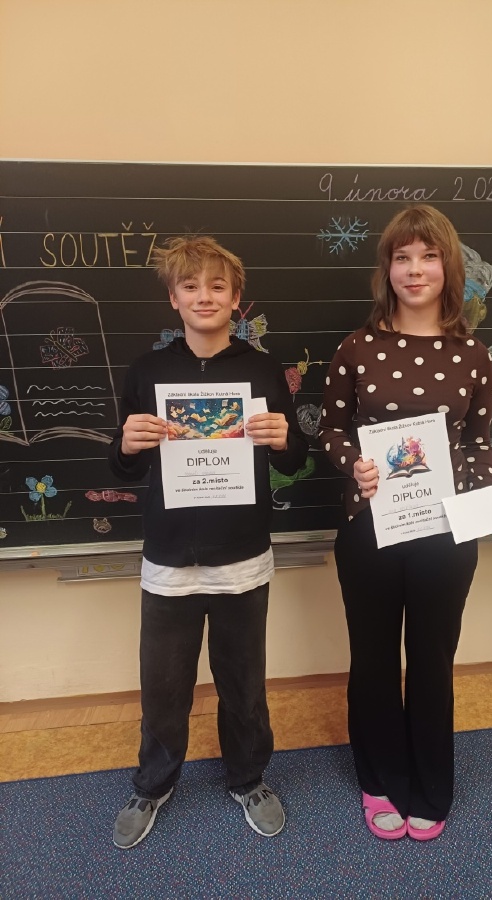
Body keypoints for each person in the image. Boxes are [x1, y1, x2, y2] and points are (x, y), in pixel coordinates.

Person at [319, 205, 492, 842]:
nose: (415, 270)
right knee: (374, 658)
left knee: (434, 659)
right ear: (387, 269)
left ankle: (432, 781)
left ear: (448, 268)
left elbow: (479, 445)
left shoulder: (472, 354)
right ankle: (380, 778)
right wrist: (354, 464)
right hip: (370, 527)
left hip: (446, 533)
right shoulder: (357, 348)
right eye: (403, 257)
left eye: (429, 256)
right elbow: (331, 430)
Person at [108, 236, 307, 849]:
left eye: (217, 286)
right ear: (173, 298)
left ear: (236, 298)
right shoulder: (147, 371)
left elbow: (294, 459)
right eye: (190, 286)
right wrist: (126, 444)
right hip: (169, 558)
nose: (204, 297)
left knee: (243, 683)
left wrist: (284, 438)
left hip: (241, 556)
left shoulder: (262, 369)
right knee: (163, 687)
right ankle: (153, 783)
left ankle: (248, 778)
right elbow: (123, 469)